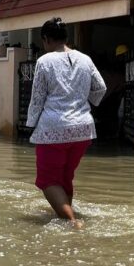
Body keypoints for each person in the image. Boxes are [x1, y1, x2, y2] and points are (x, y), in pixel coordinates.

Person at [26, 17, 107, 228]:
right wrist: (82, 104)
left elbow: (37, 98)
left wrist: (30, 125)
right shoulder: (85, 59)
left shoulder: (44, 61)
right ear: (66, 38)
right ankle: (66, 215)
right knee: (64, 178)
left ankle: (72, 223)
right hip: (83, 130)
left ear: (46, 39)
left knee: (47, 181)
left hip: (53, 128)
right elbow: (100, 88)